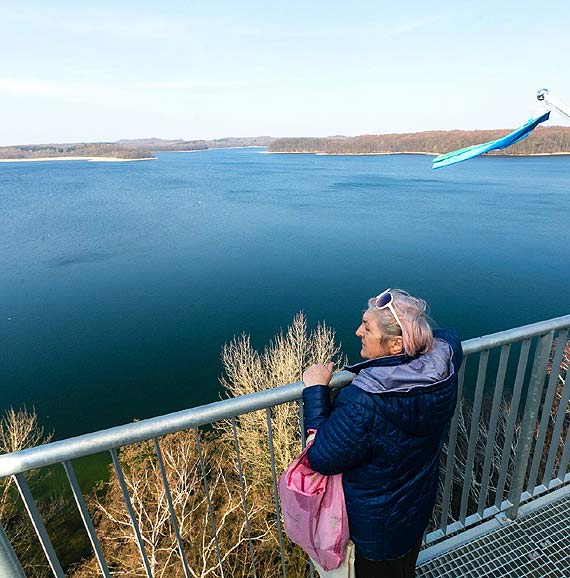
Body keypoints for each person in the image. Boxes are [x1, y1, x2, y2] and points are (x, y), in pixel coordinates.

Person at [302, 289, 463, 578]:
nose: (357, 331)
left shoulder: (365, 400)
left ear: (396, 344)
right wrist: (413, 328)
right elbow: (448, 336)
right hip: (414, 512)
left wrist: (315, 391)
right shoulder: (443, 369)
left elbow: (320, 458)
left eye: (367, 327)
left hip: (375, 531)